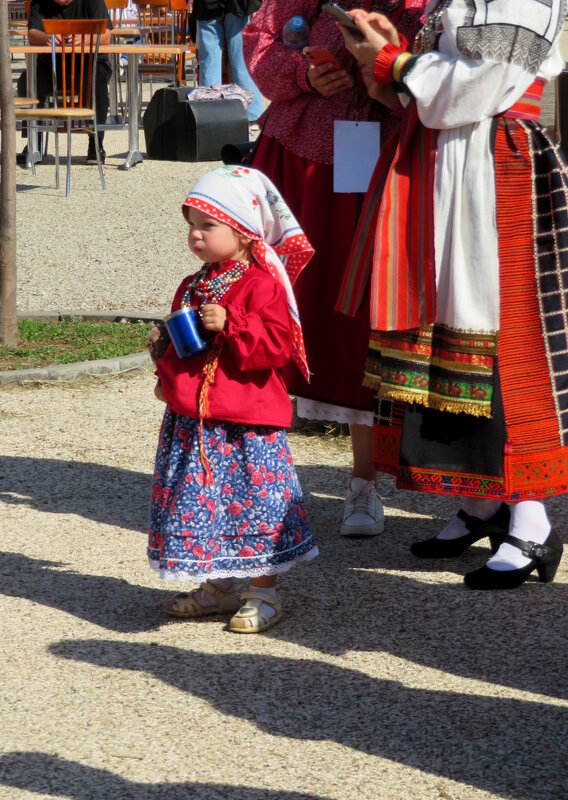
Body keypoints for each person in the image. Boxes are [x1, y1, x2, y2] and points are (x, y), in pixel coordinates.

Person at [336, 0, 567, 588]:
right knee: (447, 332)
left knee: (507, 339)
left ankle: (534, 519)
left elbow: (484, 84)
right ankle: (485, 503)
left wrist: (392, 61)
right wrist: (387, 55)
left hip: (497, 166)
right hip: (449, 160)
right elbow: (434, 87)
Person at [243, 0, 426, 537]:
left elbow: (427, 74)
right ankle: (254, 477)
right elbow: (259, 43)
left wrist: (384, 69)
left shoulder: (415, 4)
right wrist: (304, 73)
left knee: (354, 316)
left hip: (370, 153)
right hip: (292, 153)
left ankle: (363, 482)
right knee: (272, 300)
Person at [146, 165, 318, 633]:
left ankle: (263, 591)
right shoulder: (195, 284)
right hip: (197, 421)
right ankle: (219, 584)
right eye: (191, 226)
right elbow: (179, 343)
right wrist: (166, 373)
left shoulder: (263, 285)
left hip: (245, 424)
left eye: (207, 225)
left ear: (243, 232)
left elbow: (276, 347)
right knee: (203, 500)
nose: (196, 236)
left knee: (252, 502)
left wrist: (234, 324)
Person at [16, 0, 113, 166]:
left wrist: (83, 39)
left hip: (88, 64)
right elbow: (32, 33)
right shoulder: (39, 2)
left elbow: (106, 35)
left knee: (97, 78)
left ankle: (96, 144)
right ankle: (34, 142)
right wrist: (46, 37)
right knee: (27, 80)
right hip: (52, 67)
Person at [192, 0, 264, 125]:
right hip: (238, 5)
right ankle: (252, 112)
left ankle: (209, 114)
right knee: (241, 59)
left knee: (210, 61)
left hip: (208, 5)